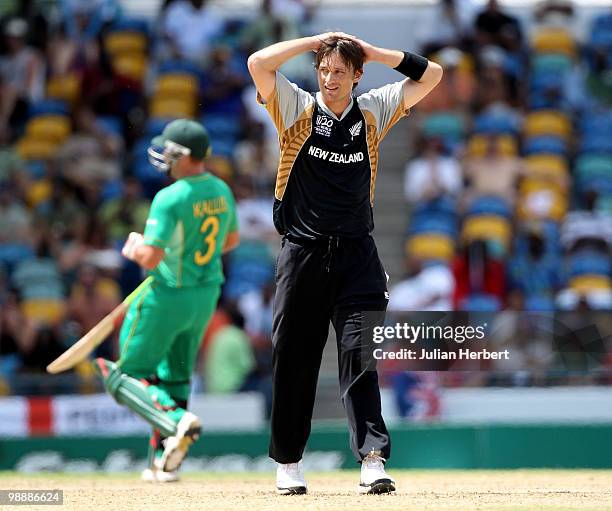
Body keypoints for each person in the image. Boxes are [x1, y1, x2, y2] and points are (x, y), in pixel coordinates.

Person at [248, 33, 442, 494]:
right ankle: (289, 463)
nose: (329, 79)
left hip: (358, 254)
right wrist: (316, 42)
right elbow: (258, 62)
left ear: (357, 76)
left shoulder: (373, 109)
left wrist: (375, 53)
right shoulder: (296, 107)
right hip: (302, 253)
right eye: (324, 70)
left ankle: (372, 460)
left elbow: (431, 75)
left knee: (360, 357)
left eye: (339, 71)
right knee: (294, 359)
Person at [92, 119, 240, 482]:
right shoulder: (221, 189)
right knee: (174, 377)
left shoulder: (170, 197)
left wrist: (134, 247)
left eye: (171, 151)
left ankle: (176, 422)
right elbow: (231, 240)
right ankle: (163, 460)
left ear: (185, 156)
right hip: (205, 296)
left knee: (122, 376)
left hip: (167, 295)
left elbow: (151, 257)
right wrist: (188, 251)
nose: (165, 158)